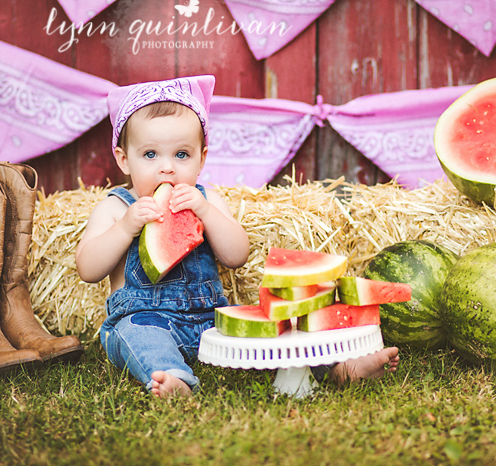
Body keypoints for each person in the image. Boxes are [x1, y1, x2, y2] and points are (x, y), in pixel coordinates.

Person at [76, 75, 399, 398]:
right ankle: (173, 378)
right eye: (150, 155)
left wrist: (205, 212)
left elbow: (236, 255)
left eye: (181, 155)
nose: (167, 169)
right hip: (144, 318)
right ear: (123, 159)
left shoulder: (206, 199)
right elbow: (88, 269)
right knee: (136, 336)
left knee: (270, 329)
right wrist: (126, 228)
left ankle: (339, 367)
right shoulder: (117, 207)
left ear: (202, 158)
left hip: (209, 320)